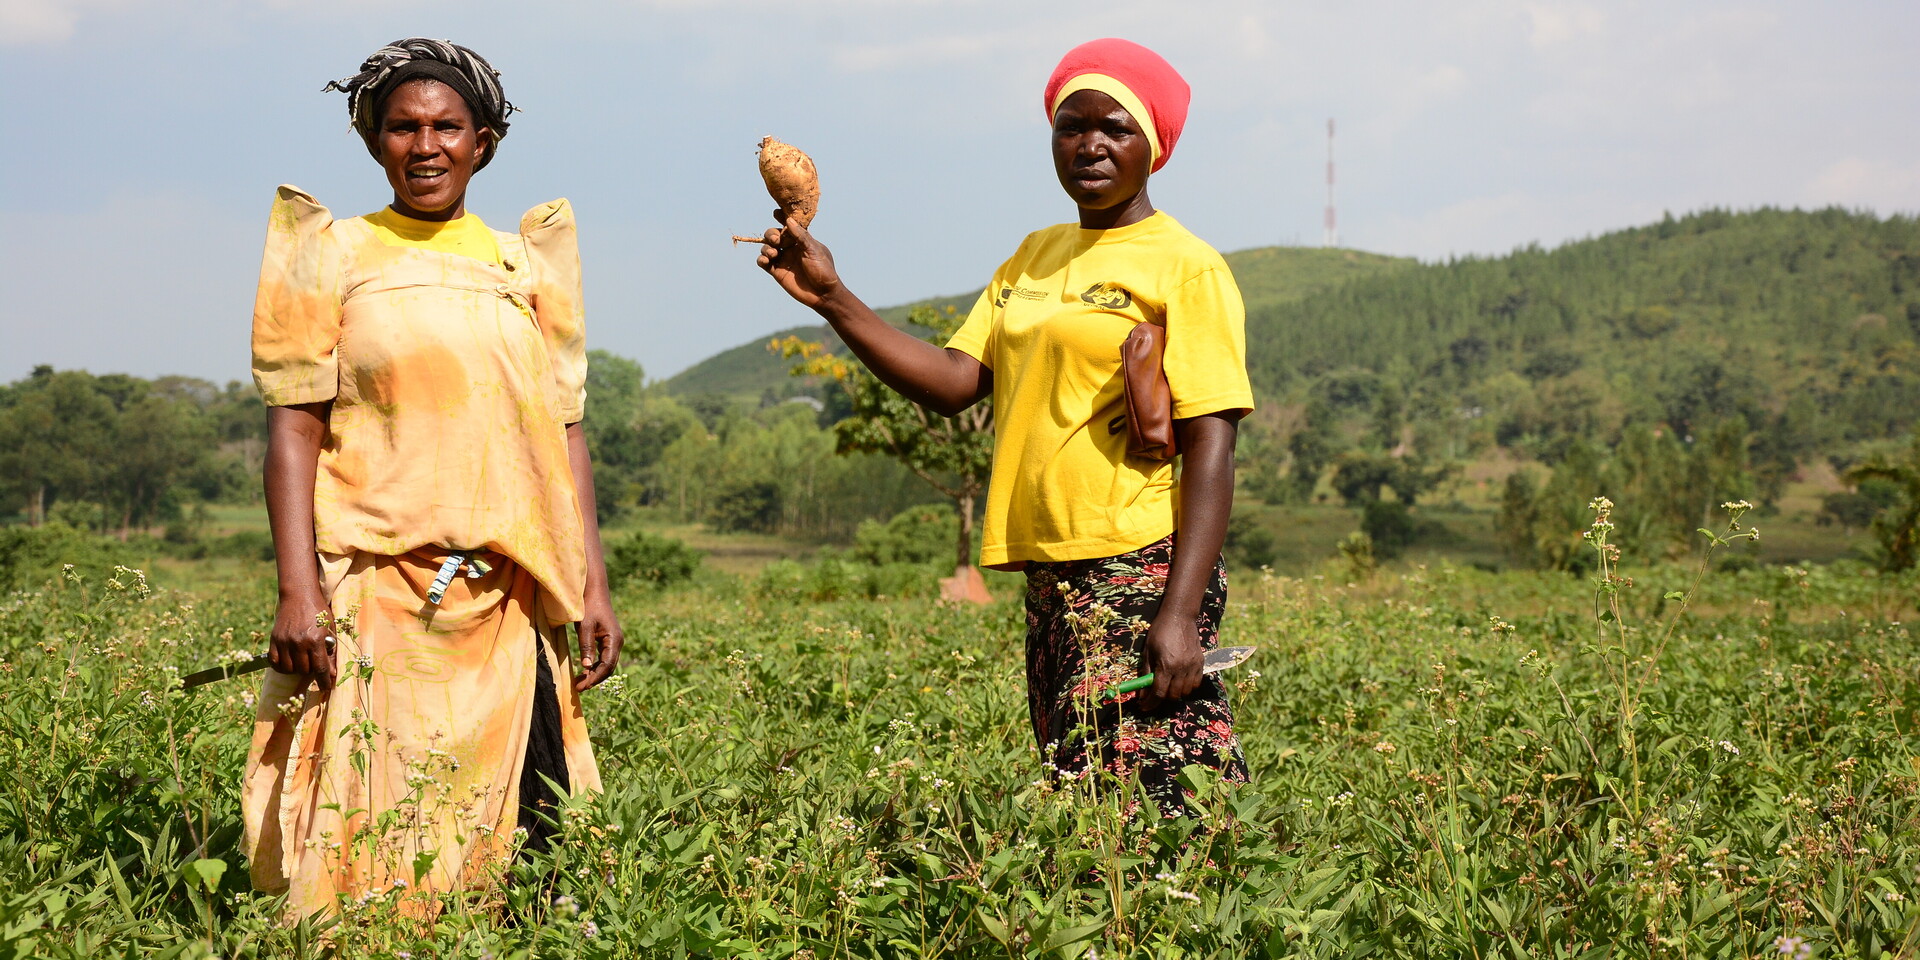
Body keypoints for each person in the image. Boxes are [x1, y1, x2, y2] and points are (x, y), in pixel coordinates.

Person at [755, 38, 1252, 816]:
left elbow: (1212, 449)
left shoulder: (1184, 266)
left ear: (1152, 145)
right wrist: (832, 298)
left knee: (1159, 791)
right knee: (1079, 787)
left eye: (1115, 127)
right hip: (1051, 571)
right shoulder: (1034, 255)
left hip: (1138, 563)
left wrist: (1181, 613)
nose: (1089, 143)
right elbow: (957, 383)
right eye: (1070, 125)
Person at [243, 38, 624, 917]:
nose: (425, 146)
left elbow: (563, 431)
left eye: (447, 127)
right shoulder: (332, 251)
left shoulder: (522, 263)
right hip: (377, 587)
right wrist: (296, 592)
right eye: (402, 127)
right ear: (373, 141)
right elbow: (294, 431)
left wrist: (591, 582)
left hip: (508, 596)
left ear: (483, 141)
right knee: (377, 818)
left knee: (517, 838)